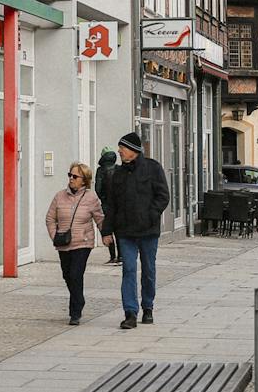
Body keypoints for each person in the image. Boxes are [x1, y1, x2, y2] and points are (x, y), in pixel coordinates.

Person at [99, 131, 168, 329]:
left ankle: (148, 307)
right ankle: (130, 312)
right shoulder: (117, 174)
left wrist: (151, 215)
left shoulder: (153, 168)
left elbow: (163, 196)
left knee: (148, 271)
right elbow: (111, 205)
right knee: (128, 270)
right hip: (125, 233)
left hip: (148, 232)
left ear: (133, 150)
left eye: (122, 148)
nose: (119, 151)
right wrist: (106, 231)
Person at [46, 162, 104, 325]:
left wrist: (106, 235)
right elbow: (50, 218)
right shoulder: (59, 196)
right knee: (67, 275)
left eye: (75, 176)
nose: (71, 179)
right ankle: (79, 299)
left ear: (84, 180)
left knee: (75, 274)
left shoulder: (91, 198)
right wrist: (54, 235)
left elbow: (99, 218)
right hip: (63, 242)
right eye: (69, 175)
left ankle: (75, 311)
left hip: (82, 243)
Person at [95, 148, 121, 264]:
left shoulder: (101, 171)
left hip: (107, 205)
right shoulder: (119, 169)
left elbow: (98, 189)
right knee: (119, 230)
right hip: (119, 205)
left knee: (108, 229)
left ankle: (112, 256)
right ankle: (121, 256)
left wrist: (103, 199)